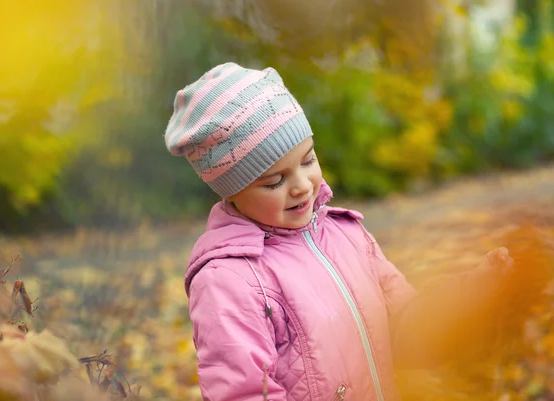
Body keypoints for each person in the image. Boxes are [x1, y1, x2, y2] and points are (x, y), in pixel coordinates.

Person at [164, 62, 514, 401]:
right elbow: (241, 391)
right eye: (274, 181)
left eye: (307, 160)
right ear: (232, 190)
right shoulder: (230, 279)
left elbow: (408, 328)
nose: (302, 186)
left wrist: (469, 294)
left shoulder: (347, 235)